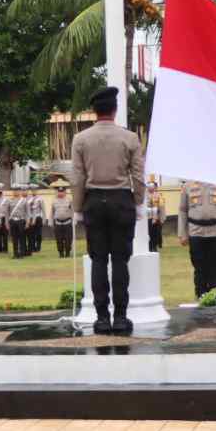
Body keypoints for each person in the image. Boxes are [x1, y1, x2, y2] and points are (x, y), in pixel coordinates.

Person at [70, 86, 145, 334]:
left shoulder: (81, 139)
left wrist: (78, 207)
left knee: (99, 260)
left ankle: (102, 319)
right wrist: (139, 202)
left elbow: (77, 177)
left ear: (94, 110)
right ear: (115, 109)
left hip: (94, 201)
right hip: (122, 200)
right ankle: (121, 317)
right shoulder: (130, 138)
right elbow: (138, 175)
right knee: (121, 261)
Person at [178, 180, 216, 297]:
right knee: (199, 267)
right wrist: (183, 233)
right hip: (196, 232)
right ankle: (201, 295)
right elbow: (183, 210)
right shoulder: (187, 186)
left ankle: (215, 296)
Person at [51, 187, 74, 259]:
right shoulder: (54, 201)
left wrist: (74, 221)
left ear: (65, 192)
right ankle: (61, 253)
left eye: (62, 192)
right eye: (59, 192)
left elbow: (73, 211)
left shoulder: (69, 200)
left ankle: (67, 253)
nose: (60, 193)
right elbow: (52, 212)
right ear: (57, 192)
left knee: (68, 239)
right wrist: (51, 222)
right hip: (58, 223)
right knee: (59, 239)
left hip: (67, 222)